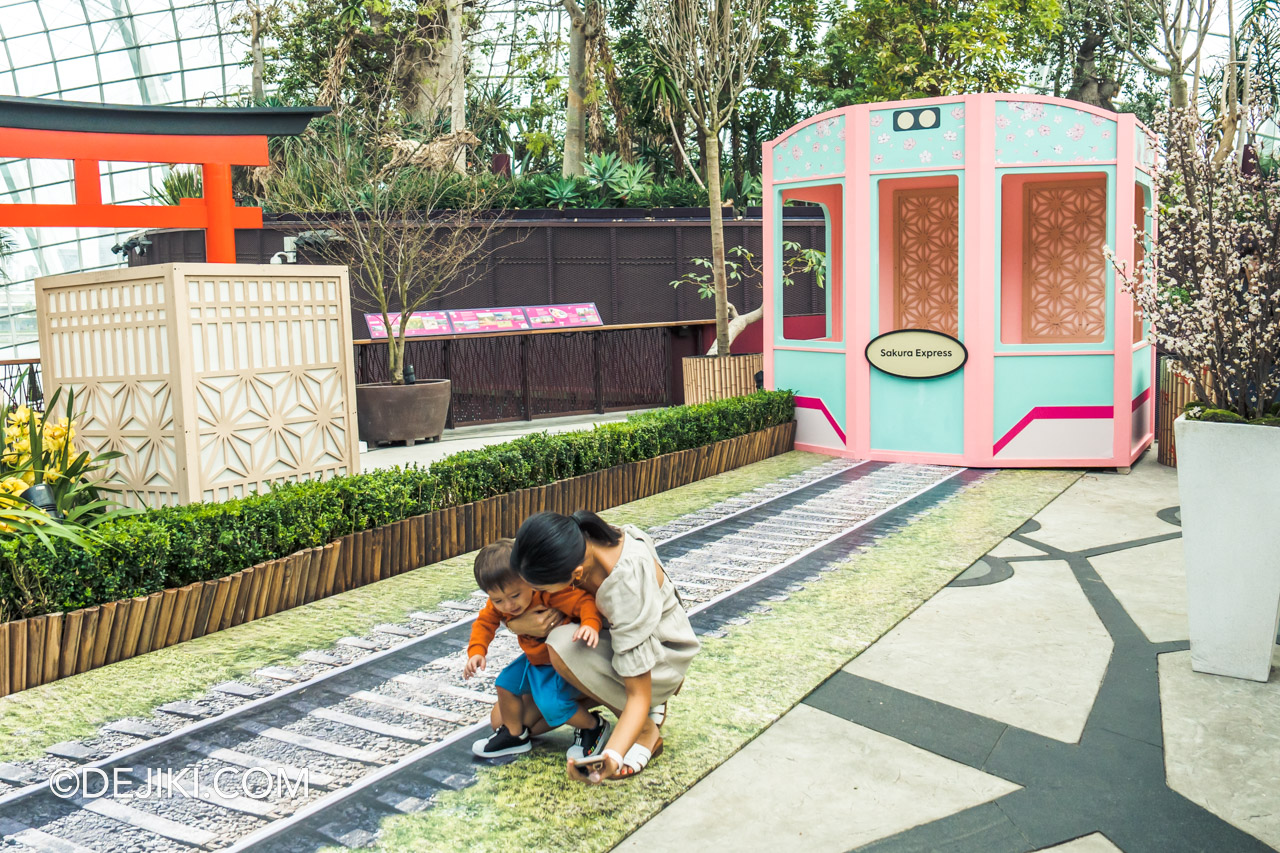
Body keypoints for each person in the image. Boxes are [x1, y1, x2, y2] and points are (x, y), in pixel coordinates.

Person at [509, 510, 700, 782]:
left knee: (561, 645)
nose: (536, 597)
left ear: (575, 575)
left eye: (543, 590)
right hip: (619, 640)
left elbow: (637, 696)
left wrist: (611, 757)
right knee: (517, 720)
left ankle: (646, 732)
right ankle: (638, 709)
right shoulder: (580, 539)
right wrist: (516, 624)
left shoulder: (624, 586)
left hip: (659, 656)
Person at [464, 539, 610, 759]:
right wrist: (477, 651)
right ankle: (515, 736)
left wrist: (590, 624)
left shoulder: (548, 592)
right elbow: (484, 623)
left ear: (529, 580)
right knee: (504, 684)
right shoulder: (498, 604)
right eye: (498, 600)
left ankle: (593, 726)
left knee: (552, 705)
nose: (509, 606)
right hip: (535, 662)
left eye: (515, 596)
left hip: (561, 659)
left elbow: (584, 602)